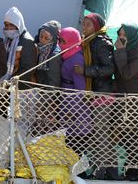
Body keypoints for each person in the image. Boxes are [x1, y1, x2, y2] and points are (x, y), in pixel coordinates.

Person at [76, 13, 116, 179]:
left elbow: (109, 69)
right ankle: (104, 172)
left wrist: (86, 71)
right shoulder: (88, 42)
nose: (84, 28)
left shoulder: (100, 42)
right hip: (93, 94)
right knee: (97, 135)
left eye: (88, 25)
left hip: (102, 94)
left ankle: (109, 173)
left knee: (101, 135)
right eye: (83, 24)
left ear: (97, 27)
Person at [113, 23, 138, 181]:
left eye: (124, 36)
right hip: (121, 98)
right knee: (124, 136)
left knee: (134, 137)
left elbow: (126, 74)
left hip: (134, 101)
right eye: (120, 35)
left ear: (131, 36)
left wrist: (120, 51)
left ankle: (136, 170)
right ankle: (127, 169)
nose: (121, 38)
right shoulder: (126, 51)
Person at [57, 27, 91, 157]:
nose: (60, 44)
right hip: (67, 99)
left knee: (75, 141)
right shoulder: (69, 54)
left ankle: (77, 172)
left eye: (64, 41)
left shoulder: (77, 59)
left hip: (74, 105)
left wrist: (74, 110)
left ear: (72, 41)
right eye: (60, 41)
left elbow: (81, 87)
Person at [0, 7, 37, 87]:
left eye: (12, 25)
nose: (8, 28)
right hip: (8, 87)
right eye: (6, 25)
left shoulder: (27, 41)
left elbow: (28, 70)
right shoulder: (8, 39)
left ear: (18, 24)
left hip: (20, 89)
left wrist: (10, 82)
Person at [34, 20, 62, 87]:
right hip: (36, 87)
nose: (42, 40)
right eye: (41, 36)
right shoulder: (37, 47)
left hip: (45, 92)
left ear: (53, 39)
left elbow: (54, 81)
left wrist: (47, 96)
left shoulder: (54, 55)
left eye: (47, 38)